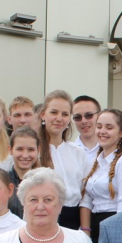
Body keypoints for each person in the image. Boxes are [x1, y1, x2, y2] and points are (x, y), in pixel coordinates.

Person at [35, 90, 92, 229]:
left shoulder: (78, 152)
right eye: (54, 112)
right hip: (45, 217)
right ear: (43, 115)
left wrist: (85, 229)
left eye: (65, 114)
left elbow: (86, 194)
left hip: (74, 219)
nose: (59, 118)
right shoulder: (34, 151)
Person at [80, 109, 122, 243]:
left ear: (121, 132)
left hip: (113, 221)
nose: (102, 131)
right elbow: (86, 199)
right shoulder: (95, 161)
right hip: (94, 224)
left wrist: (118, 234)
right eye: (99, 126)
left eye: (109, 128)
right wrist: (85, 231)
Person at [7, 127, 41, 219]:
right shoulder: (2, 182)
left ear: (38, 150)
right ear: (10, 150)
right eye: (19, 149)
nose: (25, 155)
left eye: (31, 150)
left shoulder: (44, 182)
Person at [71, 95, 101, 162]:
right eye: (77, 117)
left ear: (99, 116)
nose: (84, 121)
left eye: (89, 115)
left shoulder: (112, 150)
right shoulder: (68, 152)